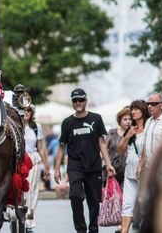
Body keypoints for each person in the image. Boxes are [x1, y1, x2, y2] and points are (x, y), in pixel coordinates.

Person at [54, 88, 115, 233]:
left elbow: (102, 143)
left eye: (81, 100)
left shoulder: (96, 118)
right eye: (75, 100)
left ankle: (93, 229)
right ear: (72, 103)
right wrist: (57, 169)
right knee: (75, 196)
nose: (78, 103)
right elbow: (62, 147)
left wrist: (108, 164)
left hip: (93, 165)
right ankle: (80, 229)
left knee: (94, 202)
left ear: (86, 101)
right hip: (75, 166)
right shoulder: (67, 122)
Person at [117, 100, 149, 233]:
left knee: (144, 203)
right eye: (132, 109)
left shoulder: (150, 127)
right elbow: (120, 150)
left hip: (145, 171)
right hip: (129, 171)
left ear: (143, 110)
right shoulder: (131, 129)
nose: (133, 112)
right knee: (127, 205)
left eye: (136, 109)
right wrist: (127, 136)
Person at [23, 105, 50, 233]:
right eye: (24, 109)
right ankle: (14, 215)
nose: (26, 112)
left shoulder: (35, 127)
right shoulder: (14, 125)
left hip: (33, 159)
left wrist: (46, 165)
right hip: (17, 158)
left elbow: (41, 147)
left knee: (31, 191)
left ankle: (29, 221)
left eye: (29, 110)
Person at [136, 92, 162, 179]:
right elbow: (146, 145)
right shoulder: (148, 121)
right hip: (149, 168)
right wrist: (141, 165)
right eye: (148, 104)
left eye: (153, 104)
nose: (149, 106)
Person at [105, 107, 131, 189]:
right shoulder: (112, 132)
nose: (128, 121)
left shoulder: (133, 133)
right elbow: (103, 149)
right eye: (125, 119)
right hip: (113, 170)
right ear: (120, 120)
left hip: (128, 171)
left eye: (130, 119)